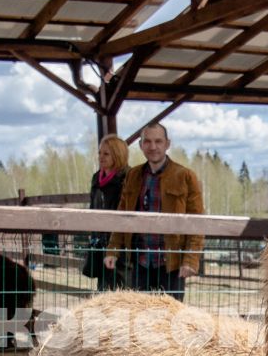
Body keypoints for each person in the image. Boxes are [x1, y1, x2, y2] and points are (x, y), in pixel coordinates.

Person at [104, 122, 204, 299]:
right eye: (147, 141)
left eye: (158, 141)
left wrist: (190, 260)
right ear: (141, 145)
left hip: (171, 265)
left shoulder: (185, 176)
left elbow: (197, 222)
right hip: (140, 262)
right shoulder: (133, 176)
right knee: (139, 316)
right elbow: (122, 216)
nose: (153, 147)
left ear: (167, 144)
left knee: (171, 320)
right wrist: (112, 250)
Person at [84, 133, 130, 291]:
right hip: (100, 242)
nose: (101, 157)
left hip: (120, 244)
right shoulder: (97, 178)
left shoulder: (127, 178)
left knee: (121, 287)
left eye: (106, 153)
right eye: (99, 153)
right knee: (103, 288)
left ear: (117, 155)